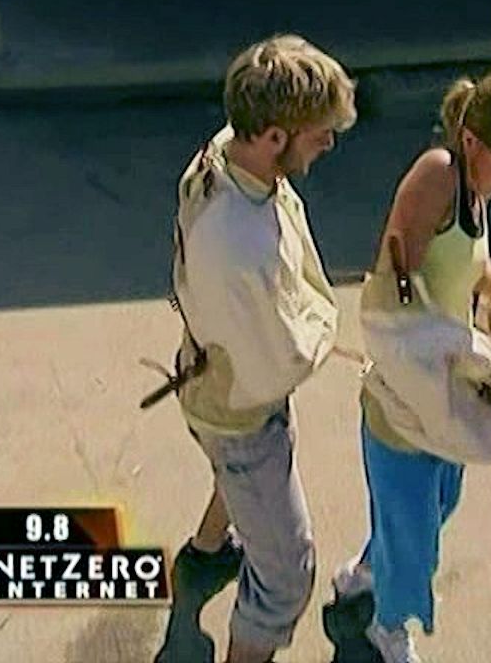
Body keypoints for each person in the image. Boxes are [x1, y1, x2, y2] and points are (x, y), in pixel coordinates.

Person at [327, 68, 491, 663]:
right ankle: (388, 626)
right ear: (472, 141)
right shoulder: (439, 173)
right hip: (406, 402)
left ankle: (362, 574)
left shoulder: (474, 190)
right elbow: (397, 275)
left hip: (446, 390)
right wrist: (451, 340)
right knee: (416, 538)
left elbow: (480, 268)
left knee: (433, 507)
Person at [149, 34, 356, 663]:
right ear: (272, 137)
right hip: (240, 414)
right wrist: (328, 327)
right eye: (319, 136)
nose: (329, 145)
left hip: (202, 373)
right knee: (287, 573)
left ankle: (208, 552)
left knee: (237, 479)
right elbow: (280, 360)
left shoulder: (223, 151)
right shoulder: (241, 247)